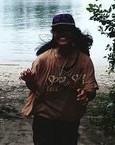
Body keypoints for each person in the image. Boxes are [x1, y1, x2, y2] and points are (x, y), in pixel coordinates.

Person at [20, 13, 99, 145]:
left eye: (67, 30)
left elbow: (91, 91)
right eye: (58, 30)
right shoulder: (43, 60)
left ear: (73, 32)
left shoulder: (84, 61)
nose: (63, 33)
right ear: (53, 33)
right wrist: (29, 81)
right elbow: (35, 89)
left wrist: (86, 94)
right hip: (44, 119)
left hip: (70, 120)